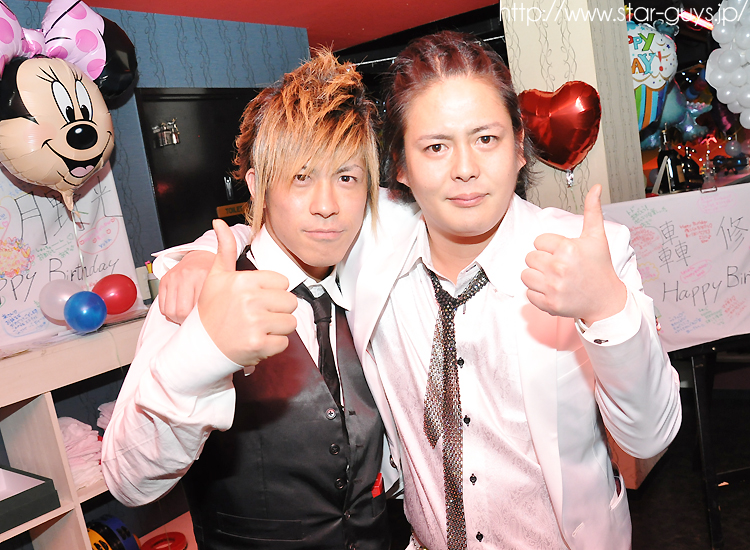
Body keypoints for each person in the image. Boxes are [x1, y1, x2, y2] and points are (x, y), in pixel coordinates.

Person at [154, 32, 682, 550]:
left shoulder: (586, 254)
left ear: (520, 147)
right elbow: (291, 219)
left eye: (486, 139)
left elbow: (649, 436)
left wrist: (606, 308)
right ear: (401, 168)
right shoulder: (373, 241)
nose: (466, 169)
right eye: (435, 147)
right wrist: (199, 255)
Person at [101, 51, 394, 550]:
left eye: (346, 177)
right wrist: (199, 357)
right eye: (301, 176)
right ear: (257, 185)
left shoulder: (375, 278)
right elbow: (128, 483)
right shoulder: (205, 293)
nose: (327, 206)